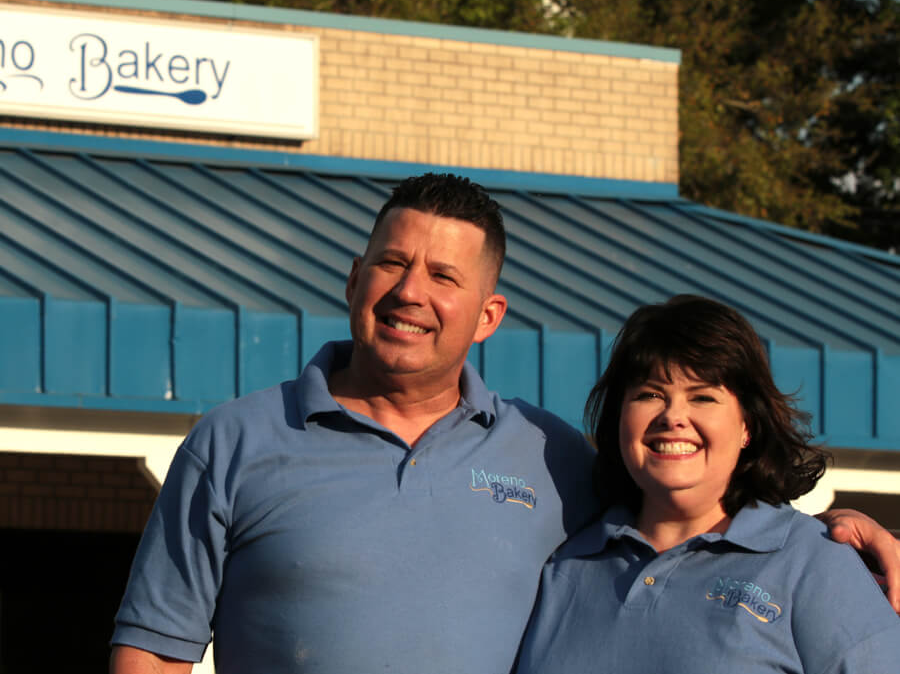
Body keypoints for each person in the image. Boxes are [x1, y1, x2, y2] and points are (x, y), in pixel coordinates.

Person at [111, 176, 900, 674]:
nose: (410, 291)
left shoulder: (549, 455)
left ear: (488, 315)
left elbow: (694, 504)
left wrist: (832, 535)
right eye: (391, 263)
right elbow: (151, 651)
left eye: (444, 275)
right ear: (355, 277)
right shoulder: (236, 440)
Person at [515, 295, 900, 674]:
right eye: (650, 394)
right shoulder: (563, 564)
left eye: (702, 397)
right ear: (619, 418)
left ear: (747, 425)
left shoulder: (813, 562)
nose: (673, 416)